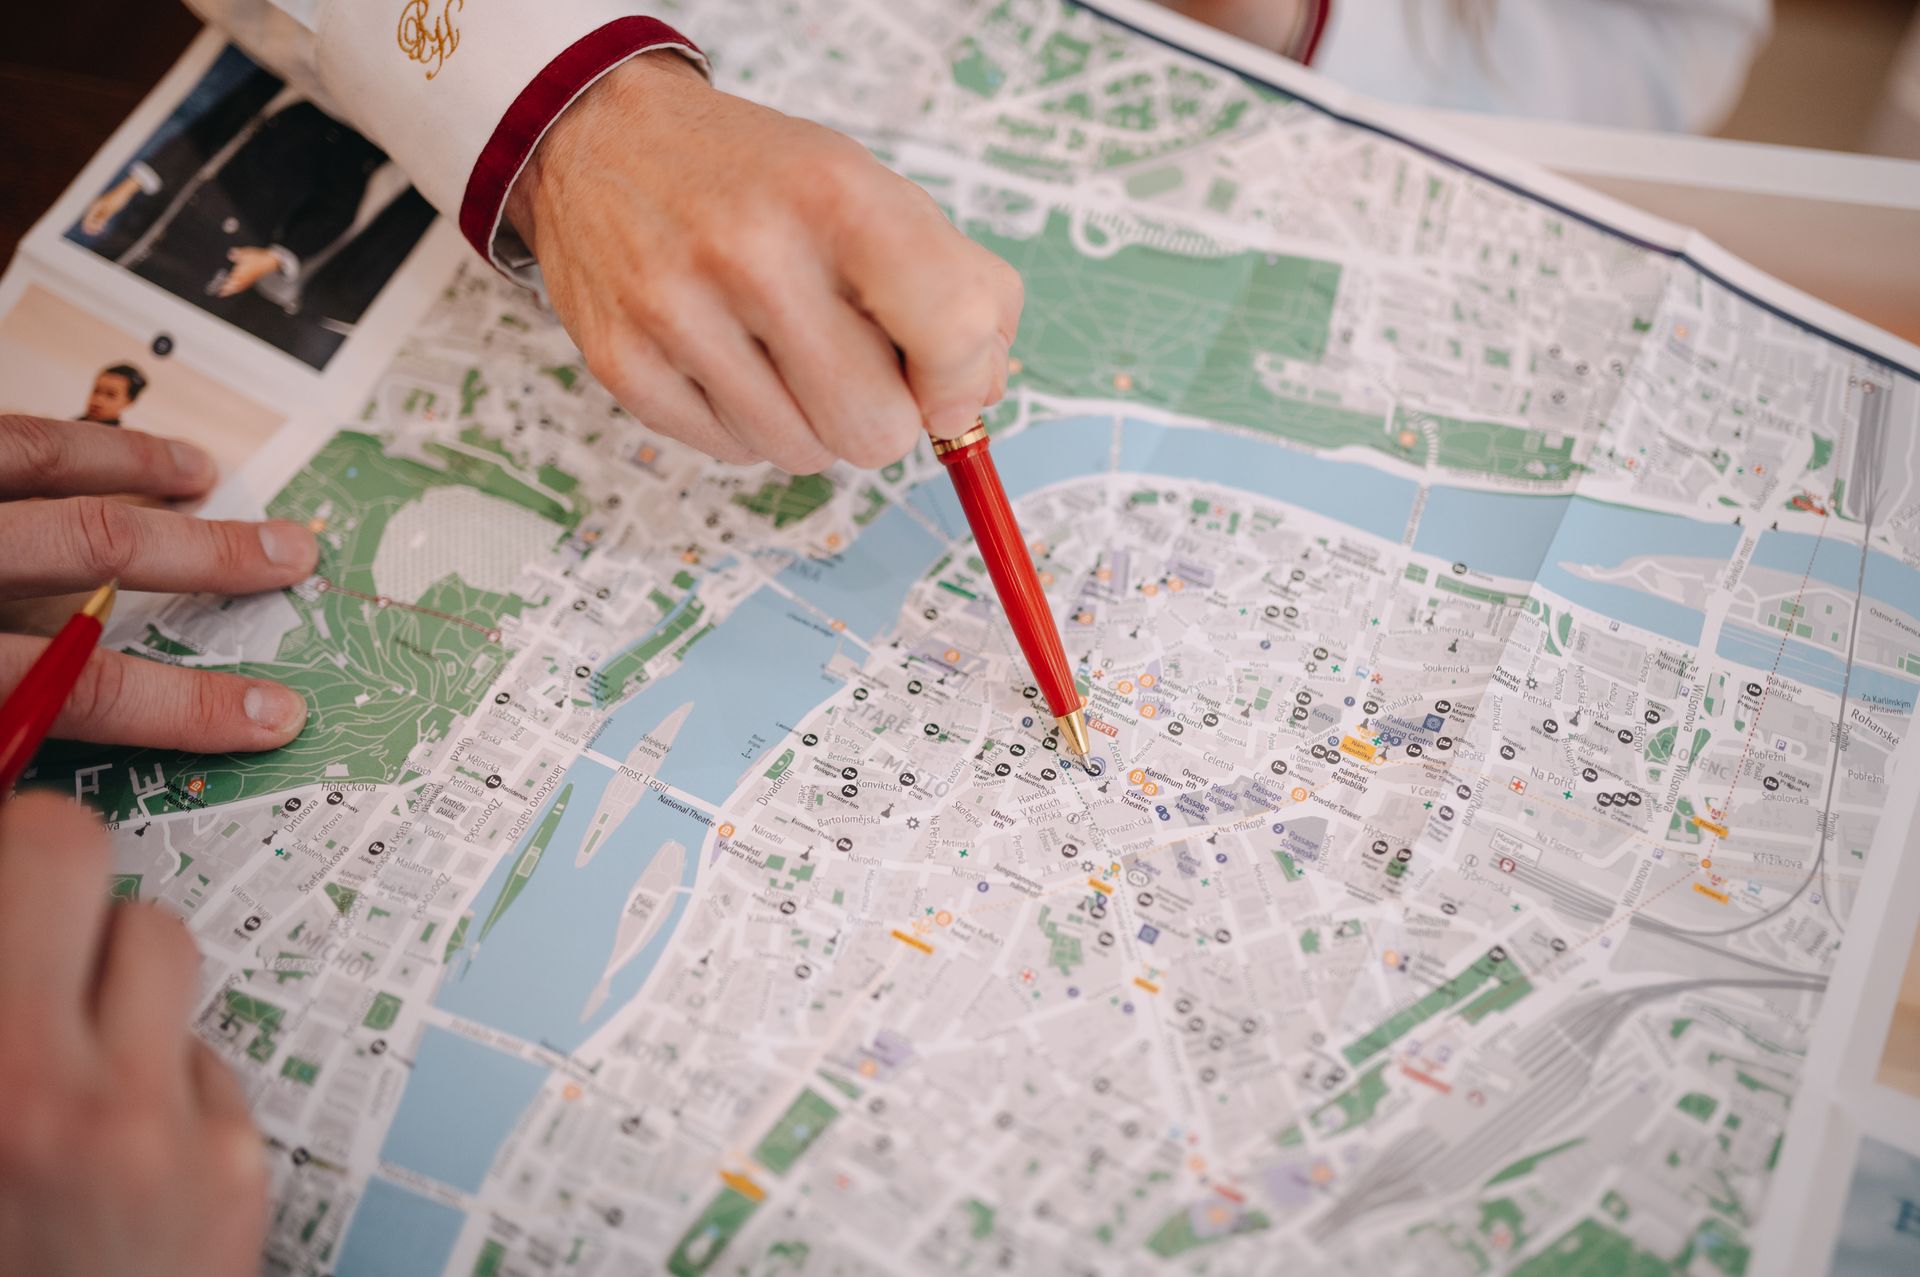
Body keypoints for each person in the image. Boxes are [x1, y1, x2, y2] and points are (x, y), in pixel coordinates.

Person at [79, 364, 148, 427]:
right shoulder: (71, 425)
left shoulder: (120, 439)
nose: (98, 400)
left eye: (111, 395)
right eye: (96, 391)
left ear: (129, 402)